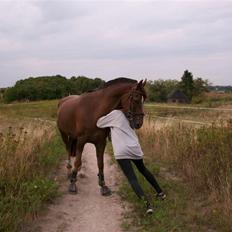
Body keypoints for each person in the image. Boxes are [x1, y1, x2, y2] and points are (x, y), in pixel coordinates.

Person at [97, 109, 166, 214]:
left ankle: (147, 205)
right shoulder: (130, 114)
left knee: (132, 178)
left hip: (122, 150)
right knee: (143, 169)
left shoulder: (115, 113)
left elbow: (99, 123)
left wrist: (105, 114)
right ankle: (160, 193)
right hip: (134, 147)